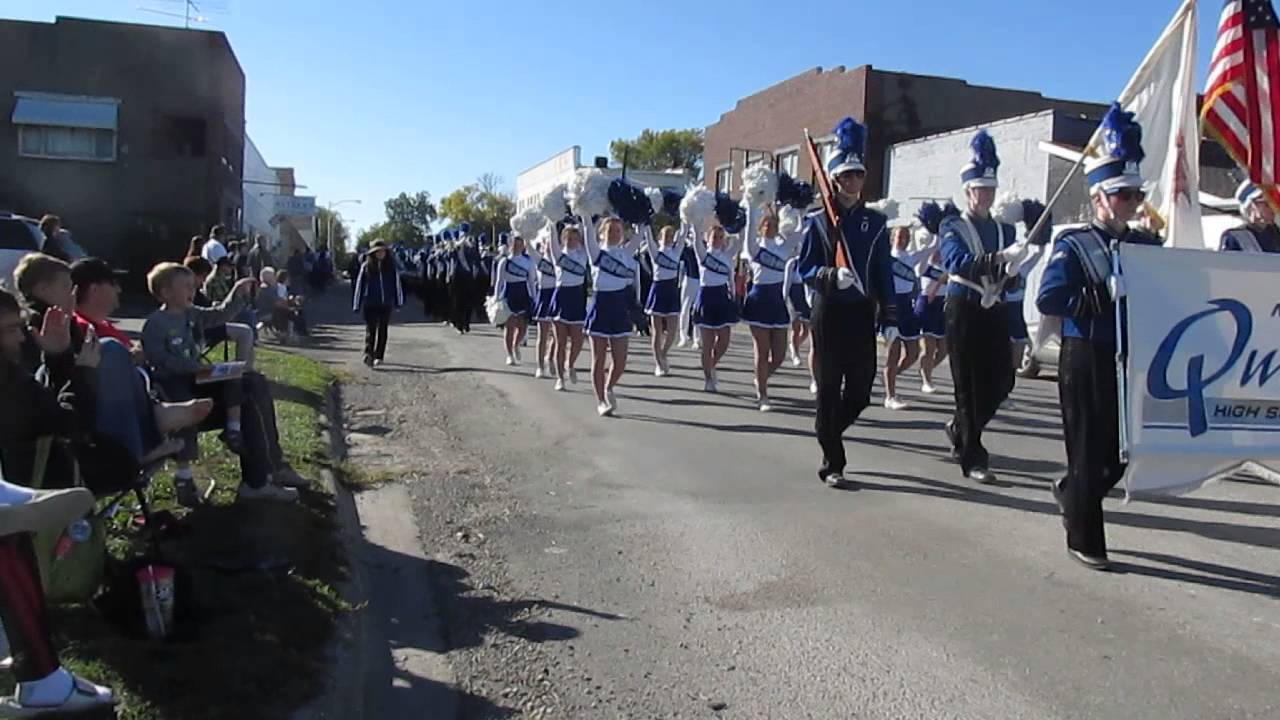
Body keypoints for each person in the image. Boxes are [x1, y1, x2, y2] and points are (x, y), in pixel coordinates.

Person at [1037, 104, 1162, 570]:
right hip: (1086, 353)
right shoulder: (1074, 245)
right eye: (1124, 194)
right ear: (1100, 199)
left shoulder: (1145, 246)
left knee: (1120, 456)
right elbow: (1050, 297)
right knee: (1089, 450)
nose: (1132, 202)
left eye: (1136, 194)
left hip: (1129, 360)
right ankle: (1085, 535)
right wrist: (1093, 295)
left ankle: (1071, 492)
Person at [0, 286, 116, 716]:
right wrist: (77, 369)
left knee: (9, 529)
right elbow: (67, 420)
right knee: (9, 531)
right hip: (43, 468)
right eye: (10, 330)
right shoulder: (9, 380)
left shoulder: (14, 373)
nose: (19, 338)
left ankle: (42, 679)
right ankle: (43, 680)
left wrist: (53, 357)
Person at [17, 254, 206, 467]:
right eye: (65, 286)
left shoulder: (64, 320)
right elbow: (48, 379)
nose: (72, 294)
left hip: (81, 397)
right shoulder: (35, 325)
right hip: (73, 410)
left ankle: (153, 421)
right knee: (112, 350)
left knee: (114, 352)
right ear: (42, 290)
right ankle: (140, 443)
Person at [797, 116, 898, 488]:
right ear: (835, 178)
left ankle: (827, 430)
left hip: (861, 313)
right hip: (829, 310)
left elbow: (884, 271)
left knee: (860, 389)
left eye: (858, 175)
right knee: (828, 385)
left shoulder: (876, 222)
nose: (853, 181)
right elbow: (804, 269)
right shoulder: (819, 222)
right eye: (847, 175)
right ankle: (833, 461)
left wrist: (890, 316)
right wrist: (828, 276)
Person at [939, 130, 1029, 484]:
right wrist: (995, 259)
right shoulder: (953, 224)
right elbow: (955, 262)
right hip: (963, 307)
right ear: (967, 192)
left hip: (996, 307)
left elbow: (1012, 273)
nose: (986, 196)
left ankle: (961, 427)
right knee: (967, 383)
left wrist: (1017, 268)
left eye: (990, 190)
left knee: (1003, 379)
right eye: (980, 190)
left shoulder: (1004, 230)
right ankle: (973, 456)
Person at [741, 204, 802, 411]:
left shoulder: (783, 248)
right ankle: (763, 395)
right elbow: (749, 229)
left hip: (777, 300)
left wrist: (800, 210)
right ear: (761, 227)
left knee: (779, 354)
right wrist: (751, 205)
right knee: (761, 349)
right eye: (765, 224)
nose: (768, 226)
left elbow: (799, 233)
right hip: (758, 299)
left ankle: (761, 378)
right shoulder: (754, 248)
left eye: (772, 224)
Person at [580, 214, 642, 417]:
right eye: (609, 231)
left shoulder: (626, 254)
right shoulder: (596, 253)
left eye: (618, 231)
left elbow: (641, 233)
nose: (614, 234)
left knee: (621, 360)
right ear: (602, 234)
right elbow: (588, 233)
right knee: (598, 359)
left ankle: (609, 387)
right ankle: (600, 400)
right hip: (601, 306)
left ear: (623, 234)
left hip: (620, 307)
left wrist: (643, 215)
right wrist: (585, 212)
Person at [882, 225, 933, 410]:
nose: (903, 240)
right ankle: (890, 396)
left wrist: (934, 228)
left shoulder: (911, 257)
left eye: (906, 237)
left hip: (906, 307)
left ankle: (890, 376)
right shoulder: (886, 258)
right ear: (892, 238)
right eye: (899, 236)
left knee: (913, 352)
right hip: (891, 305)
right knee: (893, 352)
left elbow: (932, 248)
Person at [691, 214, 743, 394]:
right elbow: (696, 237)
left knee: (724, 340)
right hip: (706, 297)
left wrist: (736, 221)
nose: (717, 240)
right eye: (714, 237)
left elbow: (740, 238)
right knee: (707, 342)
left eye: (721, 237)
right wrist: (695, 219)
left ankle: (711, 365)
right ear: (708, 238)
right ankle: (708, 379)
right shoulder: (702, 254)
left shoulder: (728, 255)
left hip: (722, 297)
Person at [547, 222, 590, 392]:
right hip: (561, 297)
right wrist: (551, 222)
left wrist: (584, 217)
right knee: (560, 342)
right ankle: (560, 378)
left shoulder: (583, 255)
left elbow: (589, 236)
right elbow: (552, 241)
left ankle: (570, 364)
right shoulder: (559, 255)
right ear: (563, 239)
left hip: (577, 298)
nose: (572, 241)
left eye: (575, 238)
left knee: (578, 340)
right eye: (568, 238)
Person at [643, 225, 686, 377]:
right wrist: (645, 223)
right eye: (665, 235)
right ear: (660, 237)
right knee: (657, 331)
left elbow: (684, 232)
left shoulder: (676, 251)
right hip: (658, 289)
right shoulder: (656, 252)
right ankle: (658, 363)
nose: (668, 238)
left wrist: (687, 217)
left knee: (672, 330)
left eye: (671, 235)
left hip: (671, 290)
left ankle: (663, 353)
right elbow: (648, 237)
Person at [352, 240, 404, 367]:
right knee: (371, 329)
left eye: (383, 251)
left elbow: (397, 285)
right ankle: (368, 353)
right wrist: (357, 304)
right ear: (373, 253)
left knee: (383, 330)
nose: (381, 254)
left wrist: (398, 302)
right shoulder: (366, 267)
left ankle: (379, 355)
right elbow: (360, 286)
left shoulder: (391, 267)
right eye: (378, 252)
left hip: (386, 303)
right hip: (370, 302)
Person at [494, 233, 536, 366]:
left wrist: (534, 297)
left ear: (523, 245)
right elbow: (499, 281)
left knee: (523, 328)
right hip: (509, 293)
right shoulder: (504, 261)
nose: (517, 246)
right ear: (510, 244)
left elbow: (531, 281)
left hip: (522, 293)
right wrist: (496, 298)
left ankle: (516, 345)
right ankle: (510, 355)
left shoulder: (528, 261)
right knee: (510, 327)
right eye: (514, 244)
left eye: (519, 244)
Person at [526, 232, 560, 378]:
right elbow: (529, 248)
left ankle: (550, 357)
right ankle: (540, 366)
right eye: (547, 244)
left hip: (558, 296)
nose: (550, 247)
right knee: (543, 334)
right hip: (544, 296)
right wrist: (526, 233)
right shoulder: (540, 260)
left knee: (558, 335)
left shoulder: (560, 260)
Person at [1219, 180, 1279, 253]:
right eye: (1267, 204)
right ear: (1250, 206)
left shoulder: (1275, 233)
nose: (1273, 208)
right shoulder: (1236, 237)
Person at [677, 241, 701, 350]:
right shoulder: (687, 249)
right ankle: (683, 336)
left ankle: (697, 339)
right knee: (685, 309)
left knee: (697, 310)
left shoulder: (703, 247)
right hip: (688, 279)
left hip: (700, 280)